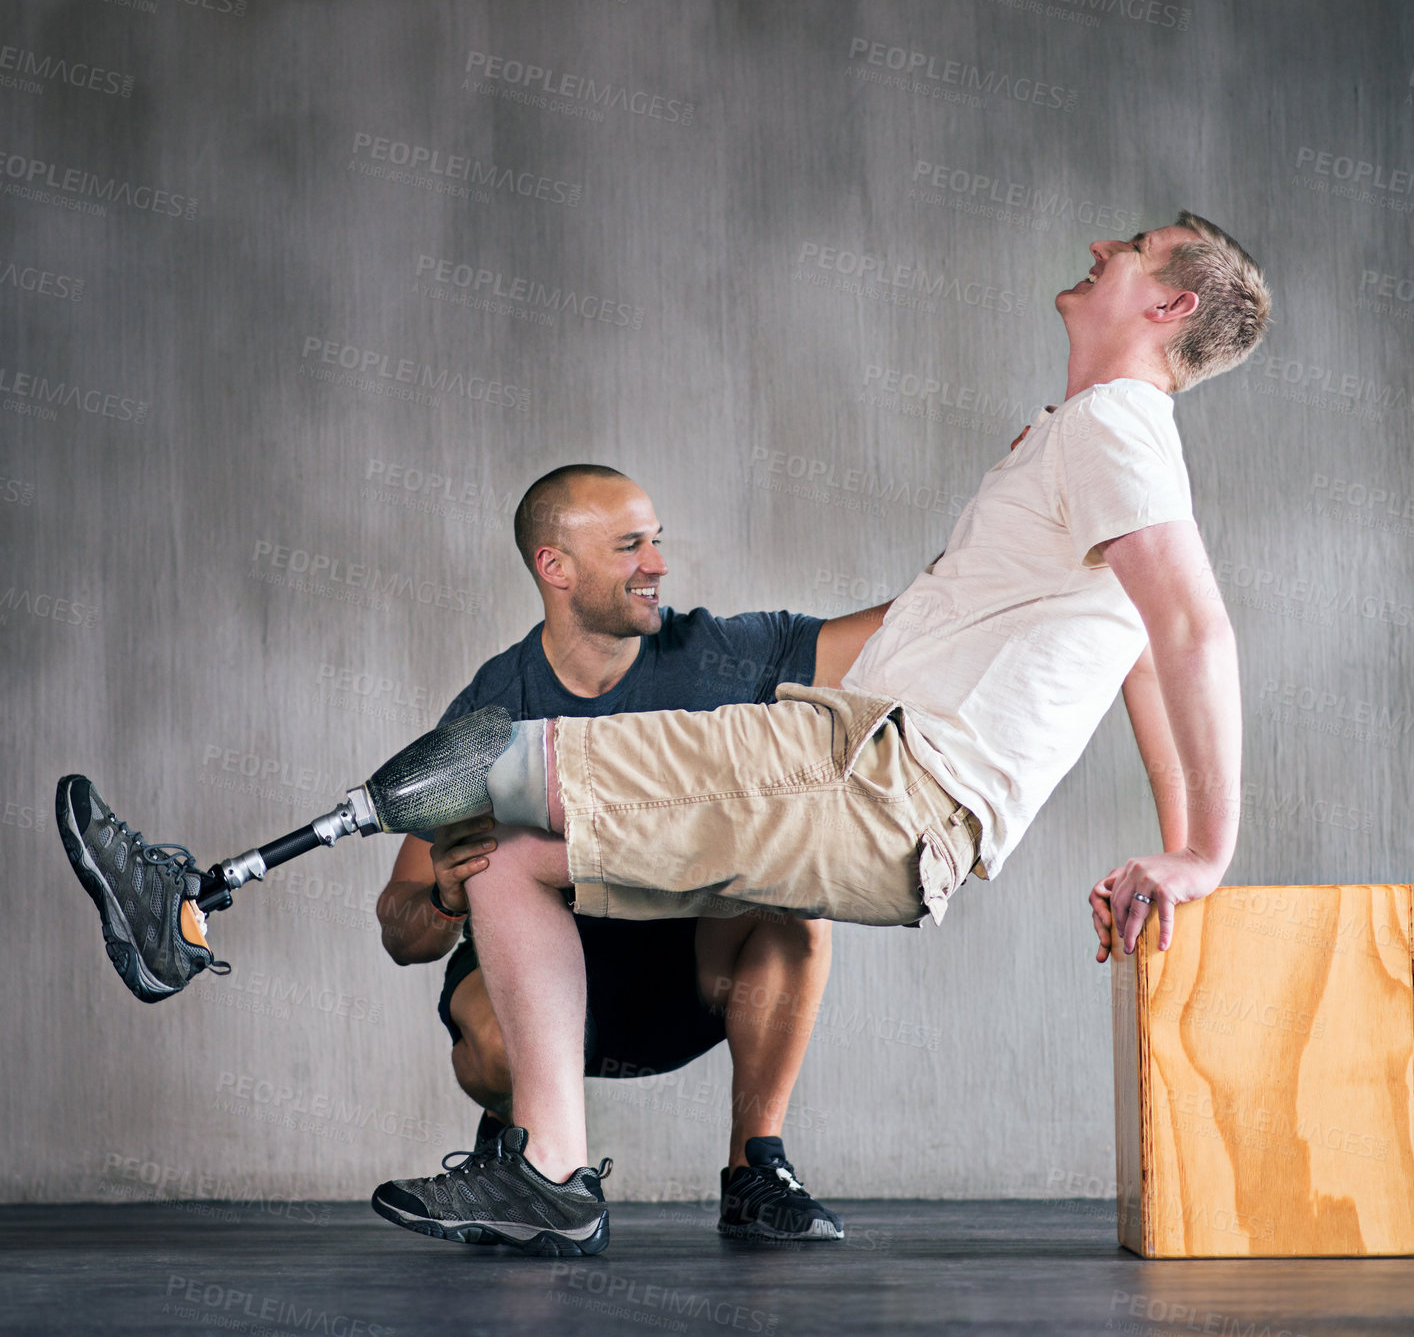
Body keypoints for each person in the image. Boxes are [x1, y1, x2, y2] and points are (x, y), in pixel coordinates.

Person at [59, 212, 1271, 1257]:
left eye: (1132, 249)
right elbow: (1139, 645)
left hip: (876, 773)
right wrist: (1176, 837)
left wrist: (1204, 850)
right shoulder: (1087, 435)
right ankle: (546, 1170)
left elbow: (1194, 631)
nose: (1102, 247)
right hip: (843, 754)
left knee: (493, 773)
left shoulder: (1117, 420)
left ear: (1165, 302)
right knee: (506, 836)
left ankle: (200, 896)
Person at [372, 463, 891, 1246]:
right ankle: (527, 1156)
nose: (658, 564)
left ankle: (755, 1169)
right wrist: (445, 897)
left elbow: (901, 628)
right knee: (486, 1039)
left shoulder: (712, 653)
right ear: (556, 567)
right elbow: (400, 929)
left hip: (683, 972)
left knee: (796, 908)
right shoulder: (492, 708)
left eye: (656, 541)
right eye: (629, 547)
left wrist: (1013, 528)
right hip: (543, 996)